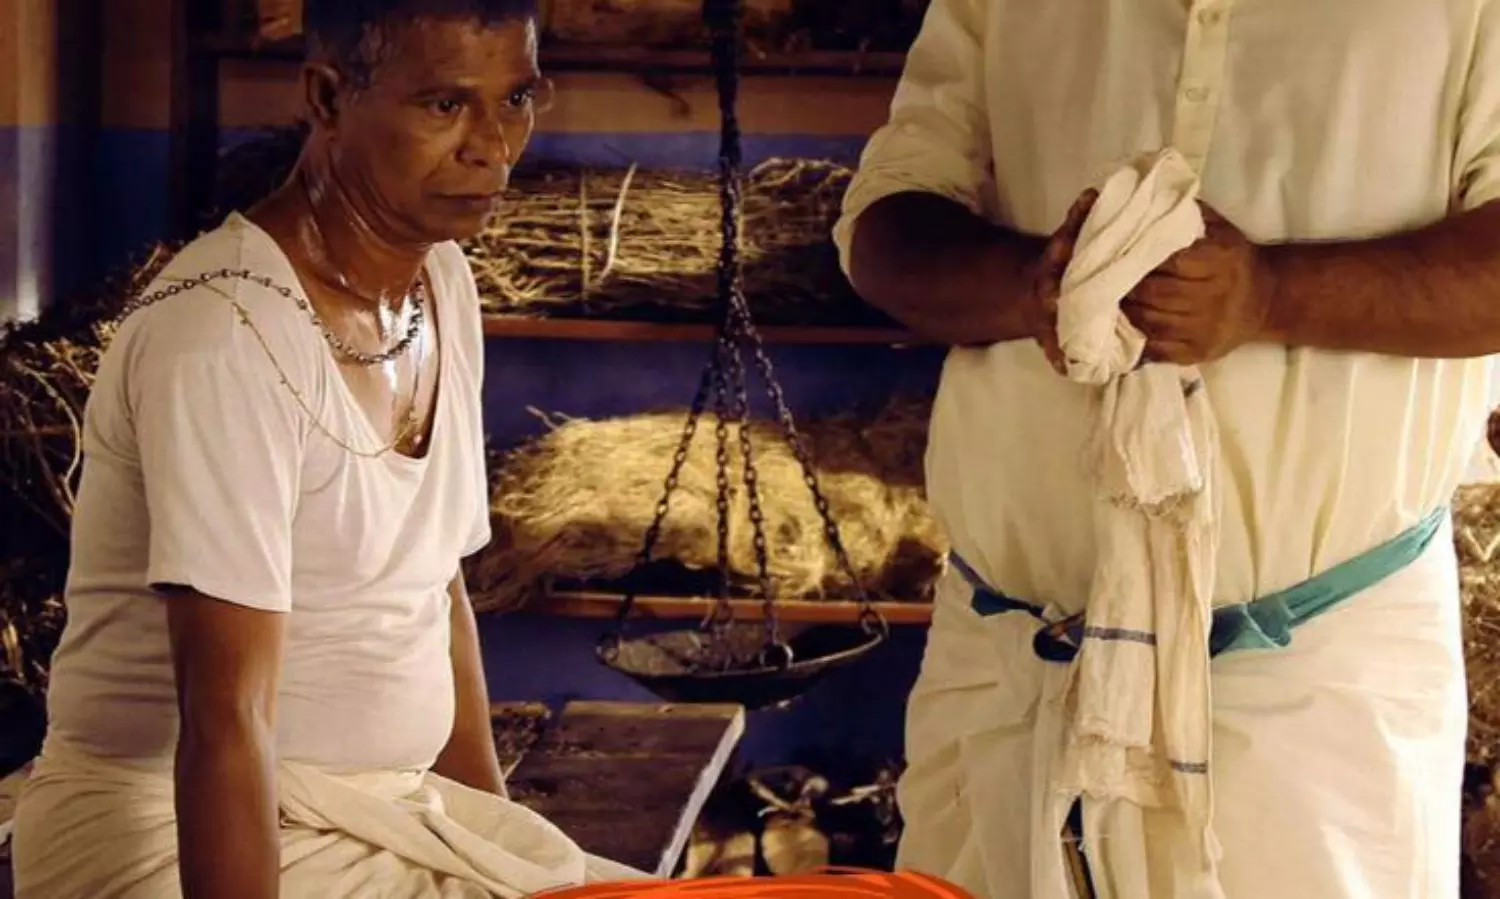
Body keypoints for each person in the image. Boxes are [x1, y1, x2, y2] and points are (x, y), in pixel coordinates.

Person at [835, 2, 1500, 898]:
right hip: (1011, 668)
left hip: (1310, 693)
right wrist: (1033, 286)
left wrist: (1270, 295)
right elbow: (884, 223)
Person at [10, 1, 641, 896]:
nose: (493, 147)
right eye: (444, 104)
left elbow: (436, 596)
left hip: (379, 812)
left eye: (516, 99)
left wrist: (506, 850)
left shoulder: (441, 283)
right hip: (163, 832)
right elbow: (224, 718)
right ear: (328, 98)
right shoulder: (227, 335)